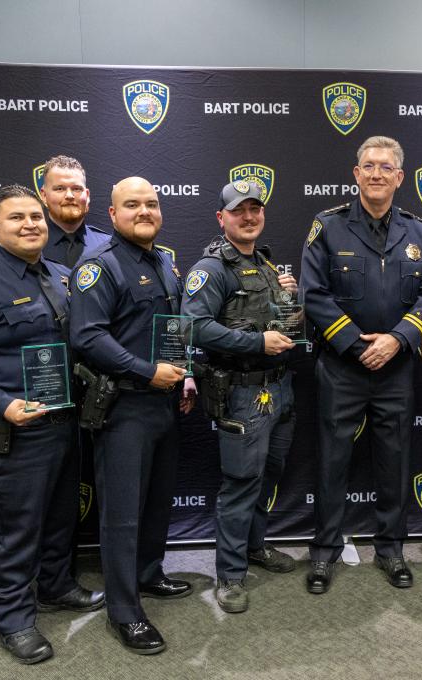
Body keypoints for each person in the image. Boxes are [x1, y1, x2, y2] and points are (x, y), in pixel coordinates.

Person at [0, 185, 103, 665]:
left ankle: (56, 586)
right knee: (16, 530)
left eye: (36, 216)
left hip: (65, 421)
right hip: (14, 430)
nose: (31, 224)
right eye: (17, 218)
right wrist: (0, 403)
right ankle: (14, 619)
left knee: (59, 517)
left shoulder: (62, 275)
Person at [300, 135, 422, 593]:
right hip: (343, 366)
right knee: (331, 461)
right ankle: (323, 553)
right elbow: (313, 294)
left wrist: (399, 339)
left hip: (397, 368)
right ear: (356, 174)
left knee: (395, 461)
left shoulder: (419, 232)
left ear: (400, 178)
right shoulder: (328, 226)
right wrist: (355, 343)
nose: (377, 173)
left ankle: (392, 549)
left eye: (386, 167)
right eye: (369, 166)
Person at [69, 177, 196, 653]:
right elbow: (87, 336)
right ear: (113, 211)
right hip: (123, 406)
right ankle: (123, 611)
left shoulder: (163, 260)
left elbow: (169, 327)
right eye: (133, 204)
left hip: (165, 401)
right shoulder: (98, 267)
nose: (144, 211)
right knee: (121, 515)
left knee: (157, 501)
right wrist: (147, 372)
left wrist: (182, 375)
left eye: (152, 203)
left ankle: (148, 574)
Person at [182, 181, 299, 613]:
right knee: (240, 485)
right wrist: (256, 344)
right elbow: (192, 327)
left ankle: (254, 547)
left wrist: (288, 299)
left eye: (255, 209)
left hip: (281, 388)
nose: (248, 217)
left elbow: (276, 321)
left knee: (267, 478)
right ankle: (230, 575)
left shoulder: (265, 263)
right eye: (238, 211)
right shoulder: (211, 269)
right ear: (221, 218)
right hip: (244, 393)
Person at [39, 155, 110, 268]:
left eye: (76, 189)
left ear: (87, 196)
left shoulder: (108, 245)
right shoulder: (29, 245)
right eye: (60, 189)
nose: (69, 196)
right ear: (43, 195)